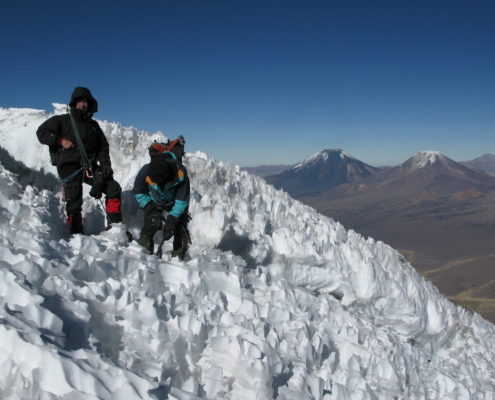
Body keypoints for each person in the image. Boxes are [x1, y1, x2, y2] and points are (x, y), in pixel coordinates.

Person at [36, 87, 123, 234]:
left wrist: (106, 165)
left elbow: (103, 145)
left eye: (86, 102)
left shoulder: (93, 126)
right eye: (80, 101)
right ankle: (75, 233)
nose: (83, 104)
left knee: (113, 187)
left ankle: (115, 229)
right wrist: (60, 141)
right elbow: (41, 132)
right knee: (74, 195)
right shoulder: (62, 121)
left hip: (88, 166)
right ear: (74, 103)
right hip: (69, 165)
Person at [132, 151, 190, 259]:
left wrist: (172, 219)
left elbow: (182, 201)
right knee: (149, 226)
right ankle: (143, 258)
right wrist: (150, 210)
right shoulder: (145, 172)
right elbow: (139, 192)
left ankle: (179, 260)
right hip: (154, 201)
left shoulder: (180, 175)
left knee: (180, 230)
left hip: (174, 202)